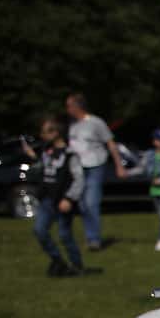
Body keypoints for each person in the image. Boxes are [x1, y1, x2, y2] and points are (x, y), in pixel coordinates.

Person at [22, 118, 83, 277]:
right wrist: (34, 158)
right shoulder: (46, 152)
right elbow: (43, 171)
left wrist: (69, 198)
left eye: (45, 132)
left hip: (62, 199)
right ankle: (57, 260)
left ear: (56, 133)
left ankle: (77, 266)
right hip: (47, 200)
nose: (42, 135)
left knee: (64, 235)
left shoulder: (70, 154)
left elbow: (79, 179)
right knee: (40, 230)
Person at [65, 93, 121, 251]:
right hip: (78, 168)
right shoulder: (73, 125)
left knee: (91, 202)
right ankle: (90, 236)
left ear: (78, 106)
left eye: (69, 105)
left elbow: (110, 143)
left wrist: (118, 165)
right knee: (82, 205)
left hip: (95, 166)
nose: (67, 109)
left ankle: (94, 240)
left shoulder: (95, 123)